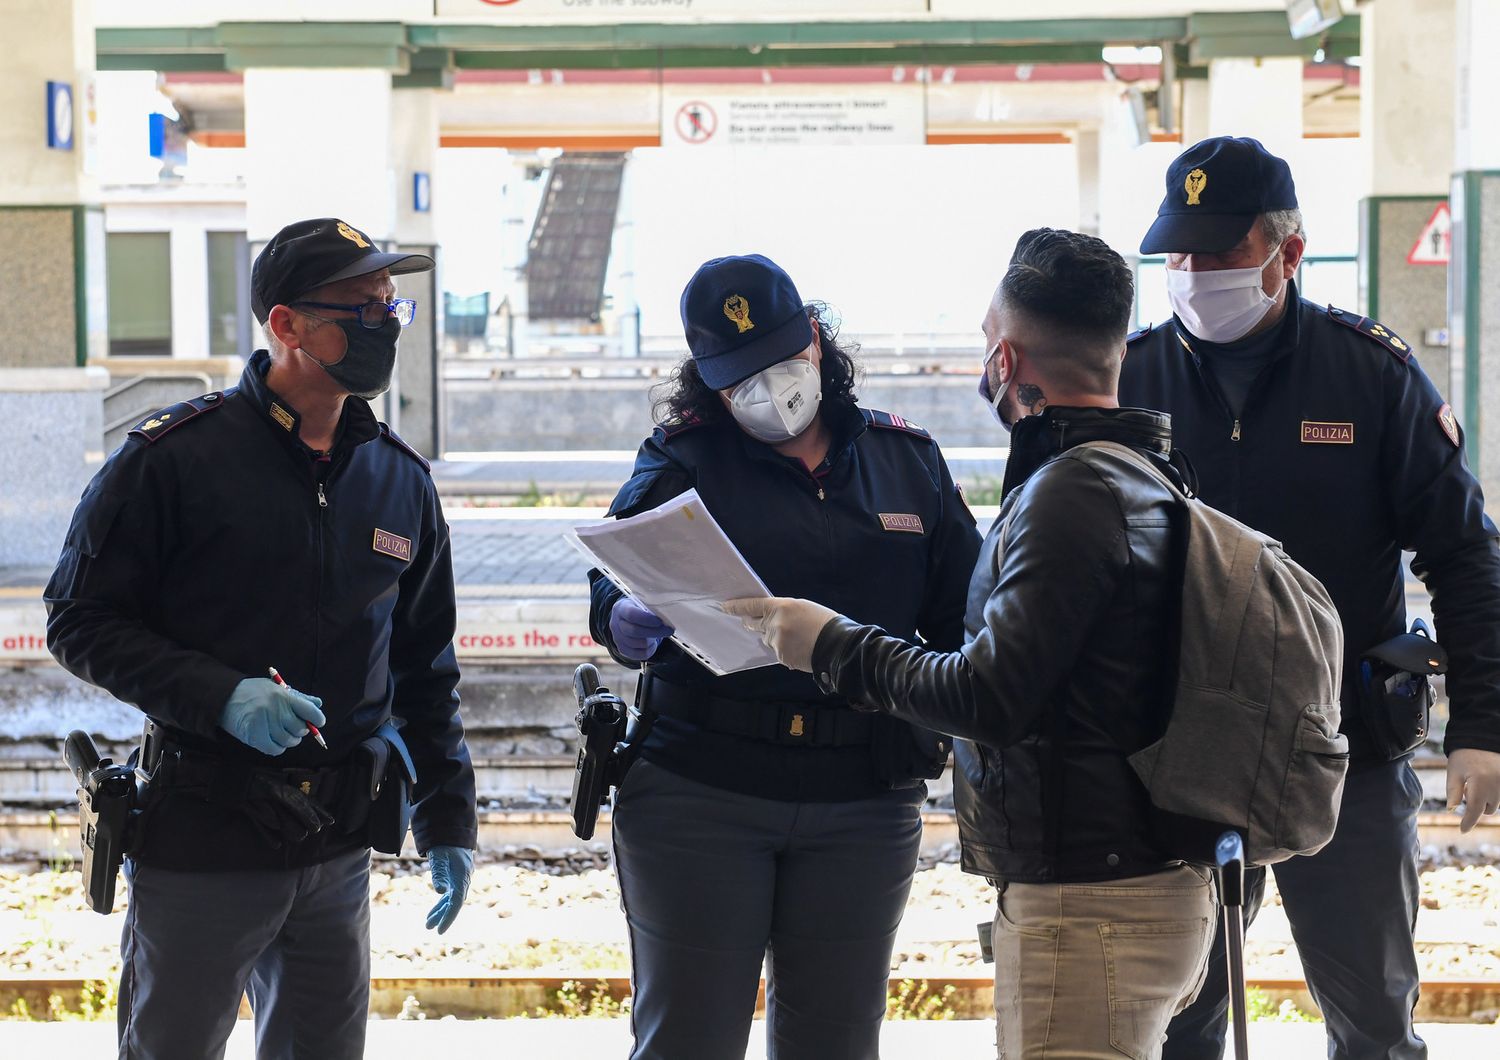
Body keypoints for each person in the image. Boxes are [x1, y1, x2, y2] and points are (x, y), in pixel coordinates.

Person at [726, 228, 1219, 1060]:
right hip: (1144, 879)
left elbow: (989, 697)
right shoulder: (1149, 470)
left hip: (1089, 901)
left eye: (987, 342)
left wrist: (831, 644)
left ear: (1009, 362)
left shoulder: (1072, 494)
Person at [45, 217, 479, 1060]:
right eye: (359, 306)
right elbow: (78, 618)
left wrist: (450, 816)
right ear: (284, 324)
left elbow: (427, 668)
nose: (384, 323)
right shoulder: (173, 460)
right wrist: (221, 696)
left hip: (339, 849)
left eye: (392, 305)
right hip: (204, 838)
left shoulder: (398, 480)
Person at [1118, 136, 1500, 1060]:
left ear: (1289, 252)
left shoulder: (1370, 375)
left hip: (1347, 753)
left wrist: (1481, 725)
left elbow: (1464, 554)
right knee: (1178, 1028)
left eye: (1220, 252)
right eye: (1179, 254)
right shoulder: (1130, 381)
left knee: (1373, 1023)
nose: (1194, 274)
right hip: (1177, 759)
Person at [587, 253, 981, 1059]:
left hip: (863, 802)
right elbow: (615, 574)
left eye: (779, 362)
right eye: (737, 381)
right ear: (707, 382)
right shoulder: (682, 459)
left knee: (835, 1042)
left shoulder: (907, 462)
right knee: (687, 1039)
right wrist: (620, 617)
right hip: (702, 790)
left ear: (816, 342)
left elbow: (962, 625)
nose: (765, 391)